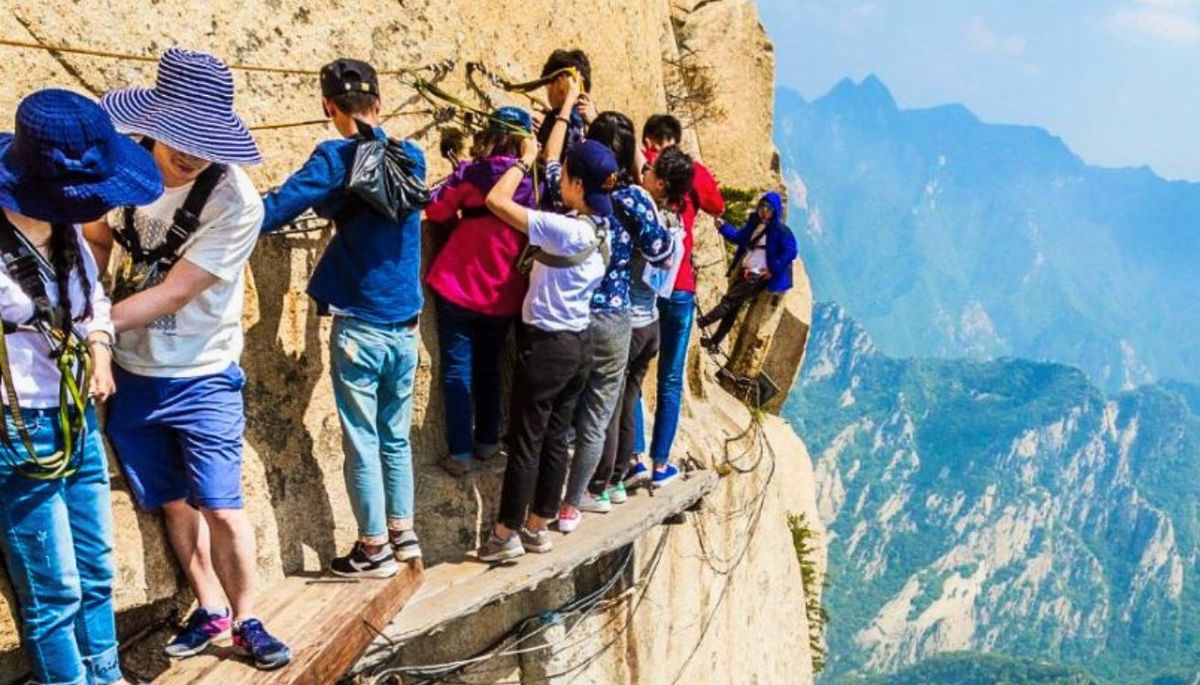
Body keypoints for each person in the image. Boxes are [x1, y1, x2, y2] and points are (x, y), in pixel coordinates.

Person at [85, 48, 291, 670]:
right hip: (131, 370)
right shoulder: (120, 158)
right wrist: (90, 296)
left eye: (206, 140)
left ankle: (249, 618)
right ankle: (210, 606)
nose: (193, 152)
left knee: (222, 505)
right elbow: (97, 236)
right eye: (182, 136)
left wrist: (86, 324)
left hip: (201, 370)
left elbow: (177, 289)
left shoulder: (235, 203)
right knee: (173, 501)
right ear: (155, 121)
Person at [0, 89, 162, 685]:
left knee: (96, 570)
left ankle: (107, 674)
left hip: (75, 417)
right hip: (19, 431)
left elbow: (93, 300)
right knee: (56, 589)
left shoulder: (66, 234)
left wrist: (99, 351)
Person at [260, 58, 427, 579]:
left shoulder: (336, 156)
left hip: (360, 327)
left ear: (328, 107)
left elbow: (280, 207)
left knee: (362, 438)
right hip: (406, 327)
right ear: (378, 103)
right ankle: (403, 533)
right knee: (394, 436)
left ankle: (372, 547)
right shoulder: (412, 157)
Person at [477, 138, 619, 562]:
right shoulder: (598, 228)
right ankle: (539, 526)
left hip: (547, 346)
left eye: (567, 179)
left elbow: (495, 201)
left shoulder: (565, 230)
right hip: (578, 346)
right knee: (556, 441)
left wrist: (524, 161)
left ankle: (505, 534)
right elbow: (559, 178)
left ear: (576, 183)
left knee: (526, 442)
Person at [552, 108, 673, 534]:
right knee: (601, 412)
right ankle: (581, 500)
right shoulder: (637, 198)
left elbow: (553, 169)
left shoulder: (578, 189)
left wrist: (566, 116)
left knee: (562, 408)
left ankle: (545, 504)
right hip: (620, 314)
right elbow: (660, 250)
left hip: (573, 310)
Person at [424, 107, 537, 477]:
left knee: (458, 368)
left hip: (460, 282)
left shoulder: (472, 173)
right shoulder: (532, 182)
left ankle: (459, 452)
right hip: (504, 292)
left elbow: (439, 212)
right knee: (489, 366)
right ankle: (487, 440)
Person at [593, 147, 695, 503]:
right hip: (655, 315)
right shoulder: (675, 217)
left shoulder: (638, 211)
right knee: (639, 392)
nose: (643, 171)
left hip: (629, 320)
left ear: (661, 182)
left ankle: (606, 481)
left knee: (611, 403)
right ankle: (637, 472)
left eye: (650, 169)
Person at [634, 114, 727, 488]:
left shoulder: (647, 169)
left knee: (634, 372)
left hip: (646, 287)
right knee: (670, 378)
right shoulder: (696, 174)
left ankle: (633, 457)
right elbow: (718, 206)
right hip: (682, 287)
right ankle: (659, 466)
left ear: (653, 141)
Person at [698, 191, 798, 351]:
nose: (764, 211)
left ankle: (701, 323)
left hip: (757, 276)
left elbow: (791, 252)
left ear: (775, 211)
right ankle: (714, 342)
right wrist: (723, 227)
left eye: (768, 208)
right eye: (762, 206)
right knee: (732, 309)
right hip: (746, 271)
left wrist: (774, 270)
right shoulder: (755, 224)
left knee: (729, 301)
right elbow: (739, 237)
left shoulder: (781, 231)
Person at [535, 48, 597, 163]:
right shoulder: (594, 126)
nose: (547, 92)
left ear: (560, 82)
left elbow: (547, 163)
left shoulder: (555, 118)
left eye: (548, 85)